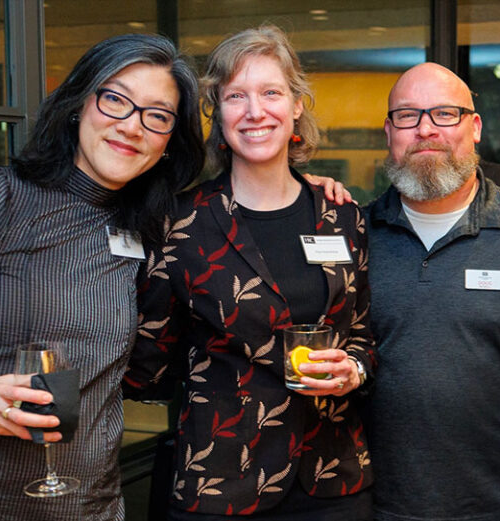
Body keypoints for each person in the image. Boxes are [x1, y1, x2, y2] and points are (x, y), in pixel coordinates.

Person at [122, 25, 376, 520]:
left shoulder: (343, 215)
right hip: (221, 484)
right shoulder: (181, 224)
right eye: (236, 96)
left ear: (297, 104)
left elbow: (364, 332)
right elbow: (147, 364)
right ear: (217, 112)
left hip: (334, 482)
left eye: (271, 93)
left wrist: (355, 370)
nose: (255, 111)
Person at [0, 34, 204, 521]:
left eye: (157, 116)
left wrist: (306, 184)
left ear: (168, 143)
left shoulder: (148, 229)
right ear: (80, 103)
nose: (131, 127)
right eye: (116, 99)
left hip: (92, 505)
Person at [341, 62, 500, 521]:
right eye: (408, 115)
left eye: (445, 114)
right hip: (373, 506)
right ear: (389, 132)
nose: (426, 130)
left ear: (475, 127)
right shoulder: (353, 238)